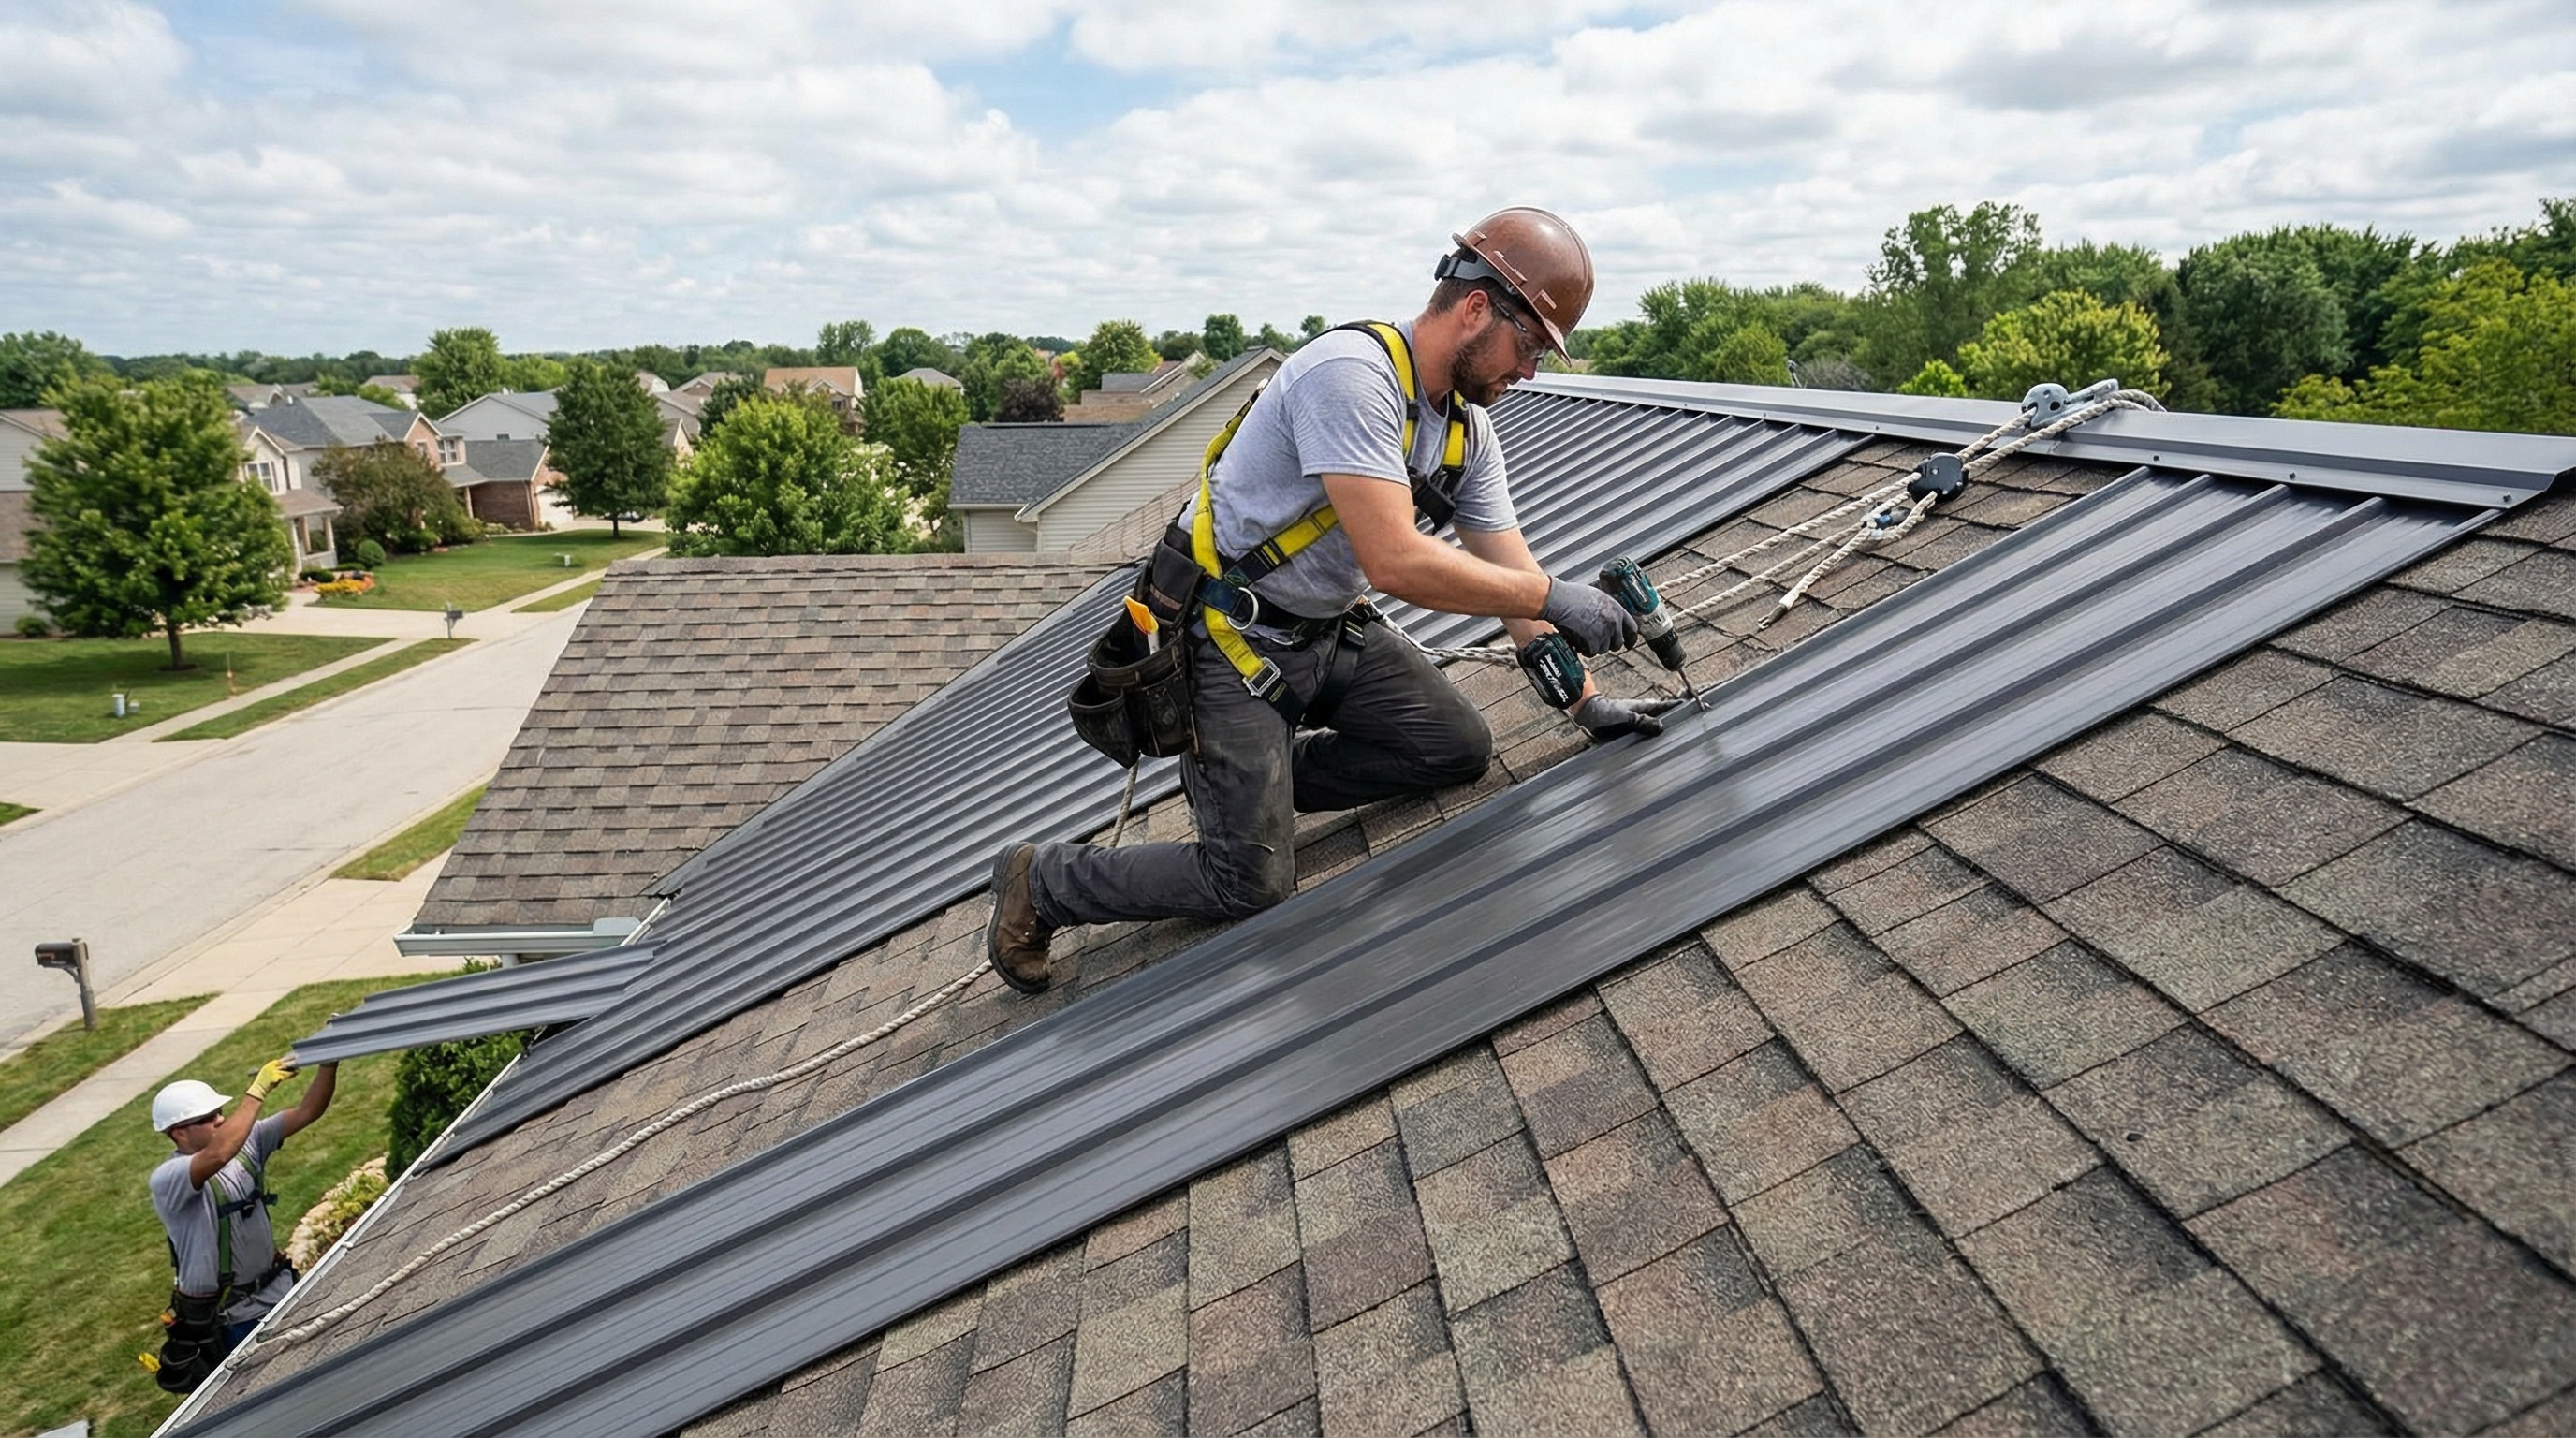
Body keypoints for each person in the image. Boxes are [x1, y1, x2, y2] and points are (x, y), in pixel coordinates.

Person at [990, 207, 1676, 993]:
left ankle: (1254, 778)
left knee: (1455, 749)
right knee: (1247, 881)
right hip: (1228, 638)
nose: (1528, 373)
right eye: (1529, 347)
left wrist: (1586, 703)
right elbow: (1393, 559)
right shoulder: (1351, 376)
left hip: (1327, 632)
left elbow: (1510, 574)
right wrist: (1557, 596)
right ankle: (1042, 880)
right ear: (1479, 307)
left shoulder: (1465, 434)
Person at [146, 1055, 336, 1389]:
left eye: (220, 1112)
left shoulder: (247, 1143)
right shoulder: (169, 1179)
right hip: (235, 1318)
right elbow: (217, 1155)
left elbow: (309, 1111)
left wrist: (328, 1066)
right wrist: (257, 1091)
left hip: (280, 1289)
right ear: (178, 1133)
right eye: (208, 1118)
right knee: (275, 1395)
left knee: (321, 1374)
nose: (220, 1120)